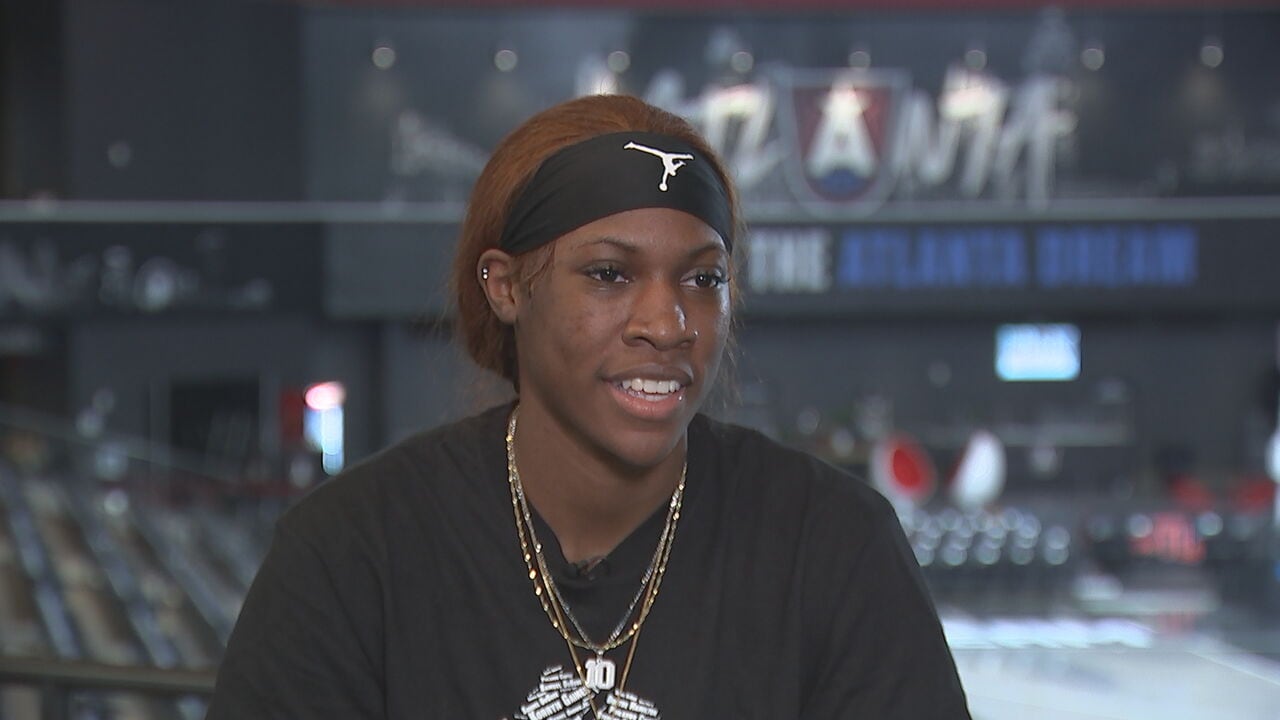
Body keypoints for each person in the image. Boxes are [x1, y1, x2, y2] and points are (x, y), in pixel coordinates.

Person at [206, 94, 970, 719]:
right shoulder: (350, 553)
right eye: (609, 274)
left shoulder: (834, 545)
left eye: (703, 279)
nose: (667, 324)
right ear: (506, 286)